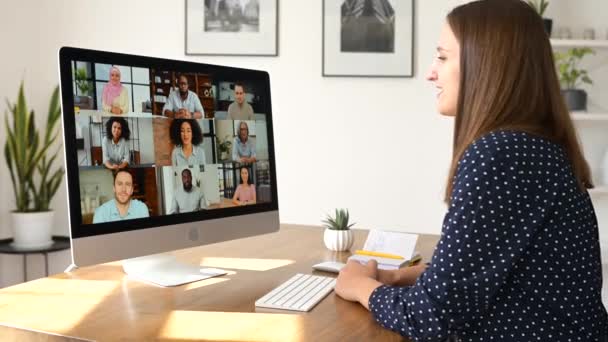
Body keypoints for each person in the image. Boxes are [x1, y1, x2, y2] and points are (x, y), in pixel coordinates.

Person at [334, 1, 608, 340]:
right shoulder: (535, 147)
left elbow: (432, 317)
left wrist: (361, 287)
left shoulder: (502, 154)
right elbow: (488, 272)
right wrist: (396, 278)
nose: (430, 73)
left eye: (443, 57)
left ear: (486, 65)